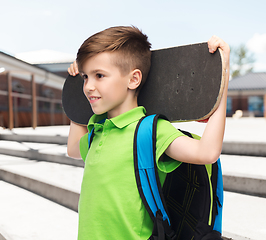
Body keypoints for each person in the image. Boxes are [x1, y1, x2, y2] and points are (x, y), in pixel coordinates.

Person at [67, 26, 230, 240]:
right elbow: (72, 150)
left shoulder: (149, 131)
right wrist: (74, 89)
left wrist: (222, 77)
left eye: (99, 75)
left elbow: (206, 153)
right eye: (86, 77)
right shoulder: (97, 131)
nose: (88, 86)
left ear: (133, 79)